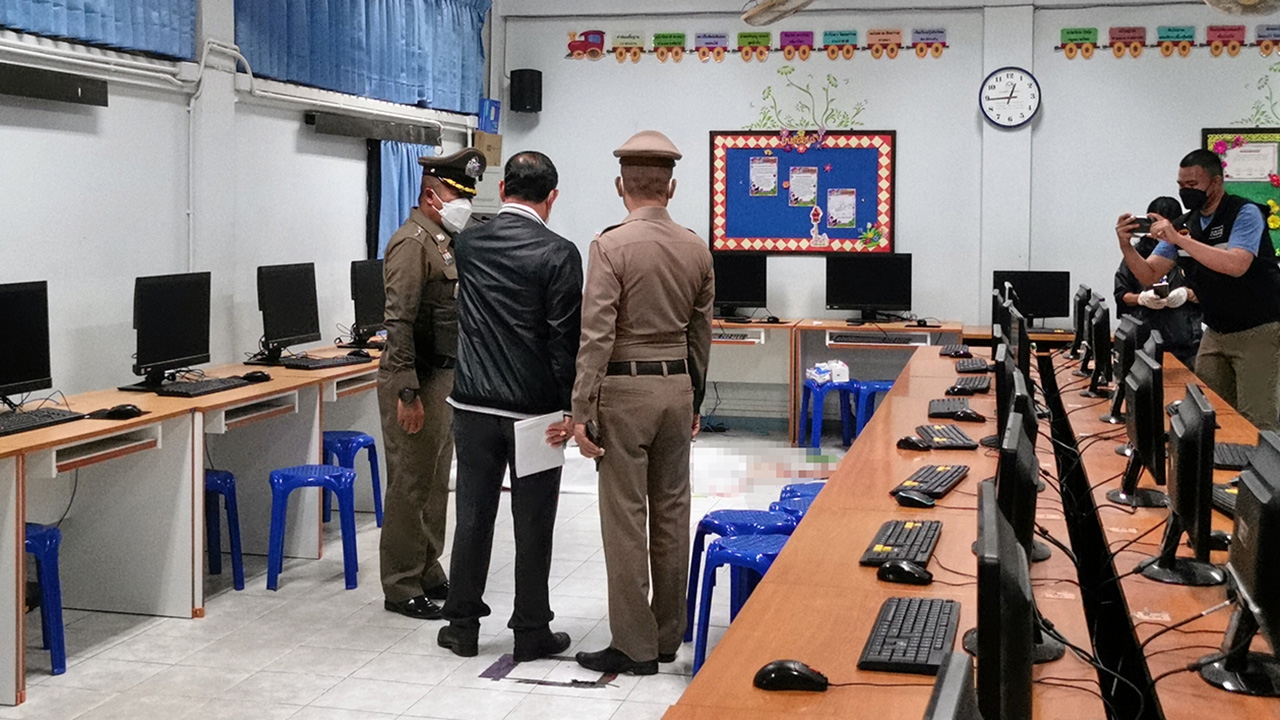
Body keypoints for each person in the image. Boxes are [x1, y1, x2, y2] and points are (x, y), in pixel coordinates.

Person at [571, 130, 715, 675]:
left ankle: (633, 645)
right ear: (671, 188)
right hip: (677, 389)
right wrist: (694, 396)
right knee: (673, 512)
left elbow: (597, 335)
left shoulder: (610, 246)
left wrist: (581, 408)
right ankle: (667, 634)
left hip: (624, 393)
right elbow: (701, 334)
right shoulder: (697, 248)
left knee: (626, 519)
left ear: (620, 186)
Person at [437, 151, 583, 660]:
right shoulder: (560, 254)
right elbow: (563, 340)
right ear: (552, 197)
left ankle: (461, 626)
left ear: (502, 190)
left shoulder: (469, 243)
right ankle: (530, 630)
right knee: (534, 522)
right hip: (534, 412)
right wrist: (571, 408)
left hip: (472, 405)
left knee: (472, 516)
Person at [377, 147, 486, 619]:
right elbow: (398, 322)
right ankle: (400, 583)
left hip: (444, 375)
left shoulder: (443, 241)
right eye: (455, 195)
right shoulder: (412, 243)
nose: (463, 204)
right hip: (417, 378)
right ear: (430, 196)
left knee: (436, 479)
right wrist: (407, 391)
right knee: (410, 482)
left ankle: (427, 567)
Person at [1117, 149, 1280, 431]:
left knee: (1256, 419)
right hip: (1215, 330)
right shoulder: (1184, 225)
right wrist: (1125, 246)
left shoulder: (1244, 213)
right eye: (1181, 185)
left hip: (1258, 329)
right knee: (1206, 412)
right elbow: (1149, 274)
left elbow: (1236, 265)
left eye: (1192, 184)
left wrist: (1180, 241)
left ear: (1216, 182)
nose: (1185, 191)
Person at [1113, 196, 1203, 368]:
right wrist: (1141, 298)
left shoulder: (1190, 251)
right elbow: (1121, 293)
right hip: (1144, 339)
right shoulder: (1136, 254)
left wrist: (1187, 294)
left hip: (1185, 342)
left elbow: (1210, 293)